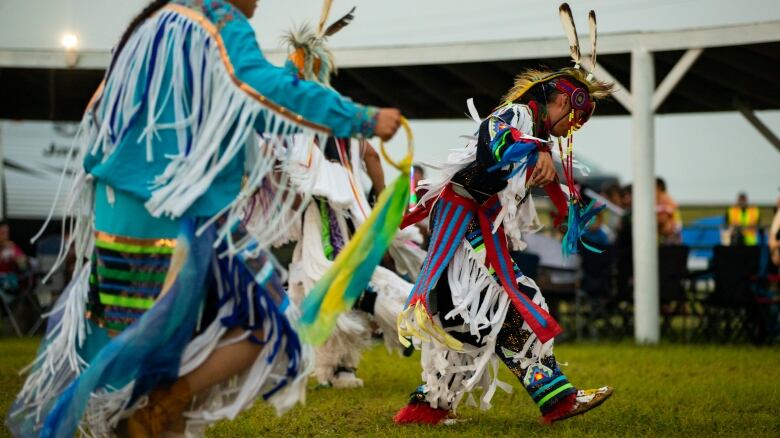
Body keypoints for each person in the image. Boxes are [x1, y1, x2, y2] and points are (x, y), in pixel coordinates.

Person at [7, 1, 401, 437]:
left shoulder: (154, 24)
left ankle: (155, 413)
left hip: (119, 208)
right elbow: (259, 86)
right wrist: (359, 118)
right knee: (266, 317)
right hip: (171, 209)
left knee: (160, 353)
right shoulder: (216, 17)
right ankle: (159, 409)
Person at [394, 3, 613, 425]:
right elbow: (493, 145)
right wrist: (532, 152)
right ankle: (557, 399)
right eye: (577, 118)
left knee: (472, 321)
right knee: (513, 301)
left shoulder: (536, 131)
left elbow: (524, 168)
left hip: (467, 230)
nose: (574, 128)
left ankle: (426, 407)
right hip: (465, 229)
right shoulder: (516, 116)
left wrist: (564, 200)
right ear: (564, 99)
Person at [267, 5, 420, 389]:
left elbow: (365, 153)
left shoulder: (311, 106)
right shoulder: (322, 105)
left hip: (330, 210)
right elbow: (368, 155)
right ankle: (335, 368)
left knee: (332, 283)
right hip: (335, 209)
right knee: (308, 289)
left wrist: (380, 199)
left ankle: (396, 313)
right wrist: (380, 198)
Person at [0, 221, 29, 293]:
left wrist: (19, 260)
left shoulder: (12, 246)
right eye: (2, 233)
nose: (5, 236)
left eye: (7, 233)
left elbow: (23, 265)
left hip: (9, 279)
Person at [656, 177, 682, 245]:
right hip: (670, 234)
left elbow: (662, 219)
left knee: (669, 252)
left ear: (658, 188)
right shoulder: (664, 199)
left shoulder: (664, 199)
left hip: (671, 234)